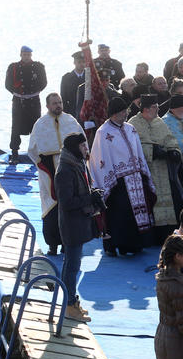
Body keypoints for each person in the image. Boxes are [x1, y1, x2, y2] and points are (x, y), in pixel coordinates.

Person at [89, 97, 156, 256]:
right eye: (121, 112)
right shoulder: (103, 132)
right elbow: (100, 159)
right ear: (113, 114)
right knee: (119, 214)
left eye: (125, 111)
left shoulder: (130, 128)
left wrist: (141, 171)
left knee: (136, 213)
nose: (125, 114)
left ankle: (135, 245)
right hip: (116, 182)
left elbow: (138, 151)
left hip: (135, 178)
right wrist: (110, 179)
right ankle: (115, 245)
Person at [28, 93, 85, 256]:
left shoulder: (71, 121)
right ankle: (53, 244)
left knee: (71, 206)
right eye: (54, 103)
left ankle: (69, 243)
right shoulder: (40, 124)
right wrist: (42, 165)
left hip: (71, 169)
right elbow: (32, 150)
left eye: (60, 102)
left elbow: (83, 144)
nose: (58, 105)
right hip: (49, 171)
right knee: (51, 207)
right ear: (47, 106)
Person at [55, 133, 101, 322]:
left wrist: (93, 195)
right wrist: (89, 198)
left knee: (73, 264)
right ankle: (68, 305)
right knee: (72, 266)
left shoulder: (78, 164)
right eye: (83, 146)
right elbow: (66, 202)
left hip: (79, 222)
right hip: (71, 224)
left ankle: (71, 301)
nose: (86, 149)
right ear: (75, 148)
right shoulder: (65, 170)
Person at [130, 95, 183, 239]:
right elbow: (133, 148)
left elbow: (170, 139)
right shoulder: (133, 124)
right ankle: (152, 236)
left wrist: (174, 151)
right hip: (146, 173)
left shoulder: (159, 122)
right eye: (155, 107)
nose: (158, 109)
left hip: (164, 170)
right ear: (146, 109)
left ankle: (168, 233)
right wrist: (153, 151)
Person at [5, 45, 48, 163]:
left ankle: (37, 154)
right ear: (21, 55)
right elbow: (8, 84)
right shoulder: (13, 67)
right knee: (16, 128)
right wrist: (18, 93)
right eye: (24, 54)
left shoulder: (38, 67)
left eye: (28, 55)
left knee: (36, 127)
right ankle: (14, 155)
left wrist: (33, 92)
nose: (26, 57)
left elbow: (43, 82)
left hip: (34, 101)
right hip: (19, 101)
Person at [60, 50, 86, 119]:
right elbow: (63, 97)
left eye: (83, 62)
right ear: (74, 63)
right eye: (79, 62)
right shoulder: (66, 78)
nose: (82, 64)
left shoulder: (90, 76)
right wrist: (66, 113)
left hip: (87, 111)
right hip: (72, 111)